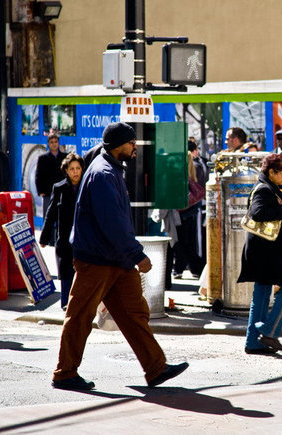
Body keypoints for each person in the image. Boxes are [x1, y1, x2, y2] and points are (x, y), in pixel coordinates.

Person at [52, 122, 188, 391]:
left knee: (135, 313)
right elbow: (112, 222)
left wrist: (128, 254)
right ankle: (65, 373)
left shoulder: (111, 168)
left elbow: (116, 222)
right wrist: (137, 254)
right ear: (116, 145)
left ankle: (156, 368)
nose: (134, 146)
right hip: (97, 259)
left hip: (115, 259)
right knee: (80, 316)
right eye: (130, 142)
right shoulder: (103, 173)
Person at [239, 153, 282, 354]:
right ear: (272, 172)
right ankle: (268, 330)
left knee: (262, 294)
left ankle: (253, 342)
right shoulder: (265, 189)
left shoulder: (267, 186)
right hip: (268, 252)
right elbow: (258, 213)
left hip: (264, 250)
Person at [39, 152, 84, 310]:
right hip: (64, 238)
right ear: (66, 170)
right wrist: (44, 238)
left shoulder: (87, 187)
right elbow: (50, 214)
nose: (75, 172)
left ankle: (79, 303)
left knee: (82, 272)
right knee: (65, 272)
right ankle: (66, 303)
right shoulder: (59, 188)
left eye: (78, 168)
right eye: (71, 169)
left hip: (83, 238)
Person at [172, 148, 205, 280]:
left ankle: (185, 268)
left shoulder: (180, 175)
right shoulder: (193, 173)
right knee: (188, 242)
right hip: (191, 213)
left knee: (181, 242)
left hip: (181, 214)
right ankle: (192, 268)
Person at [35, 131, 67, 221]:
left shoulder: (64, 157)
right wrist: (40, 190)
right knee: (48, 218)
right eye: (52, 142)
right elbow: (38, 175)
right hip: (48, 192)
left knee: (62, 217)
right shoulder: (43, 158)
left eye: (56, 142)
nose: (54, 144)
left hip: (62, 192)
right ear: (48, 144)